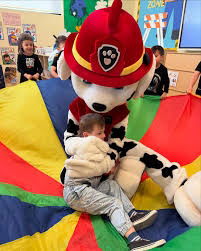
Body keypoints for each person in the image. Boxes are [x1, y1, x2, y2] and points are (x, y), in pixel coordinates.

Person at [62, 113, 166, 251]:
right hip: (76, 193)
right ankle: (134, 241)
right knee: (113, 204)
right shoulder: (85, 149)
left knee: (111, 185)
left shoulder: (94, 149)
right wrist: (109, 166)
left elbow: (98, 170)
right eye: (99, 133)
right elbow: (95, 167)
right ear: (87, 136)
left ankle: (131, 214)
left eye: (103, 132)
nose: (104, 136)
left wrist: (109, 169)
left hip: (89, 188)